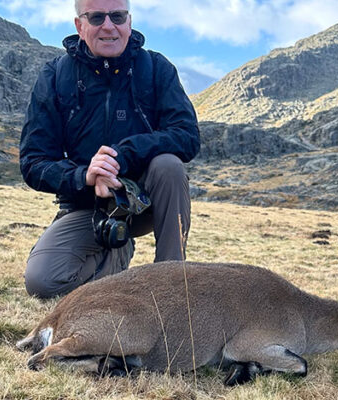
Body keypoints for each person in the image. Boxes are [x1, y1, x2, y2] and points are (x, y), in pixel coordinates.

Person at [19, 0, 200, 298]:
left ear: (129, 21)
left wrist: (121, 156)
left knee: (169, 165)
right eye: (96, 17)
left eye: (117, 16)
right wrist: (85, 176)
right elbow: (33, 162)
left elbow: (187, 136)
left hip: (145, 202)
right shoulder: (54, 77)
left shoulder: (157, 69)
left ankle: (170, 286)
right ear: (80, 25)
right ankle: (116, 253)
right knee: (43, 283)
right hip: (86, 207)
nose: (108, 25)